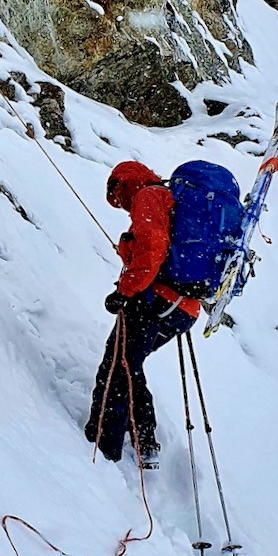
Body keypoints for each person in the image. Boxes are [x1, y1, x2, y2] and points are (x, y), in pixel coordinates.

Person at [85, 160, 200, 467]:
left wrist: (124, 292)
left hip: (155, 301)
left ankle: (103, 444)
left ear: (122, 182)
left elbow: (151, 249)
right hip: (183, 306)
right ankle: (144, 438)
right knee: (129, 364)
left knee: (116, 367)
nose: (121, 206)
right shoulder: (165, 197)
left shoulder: (147, 196)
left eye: (117, 197)